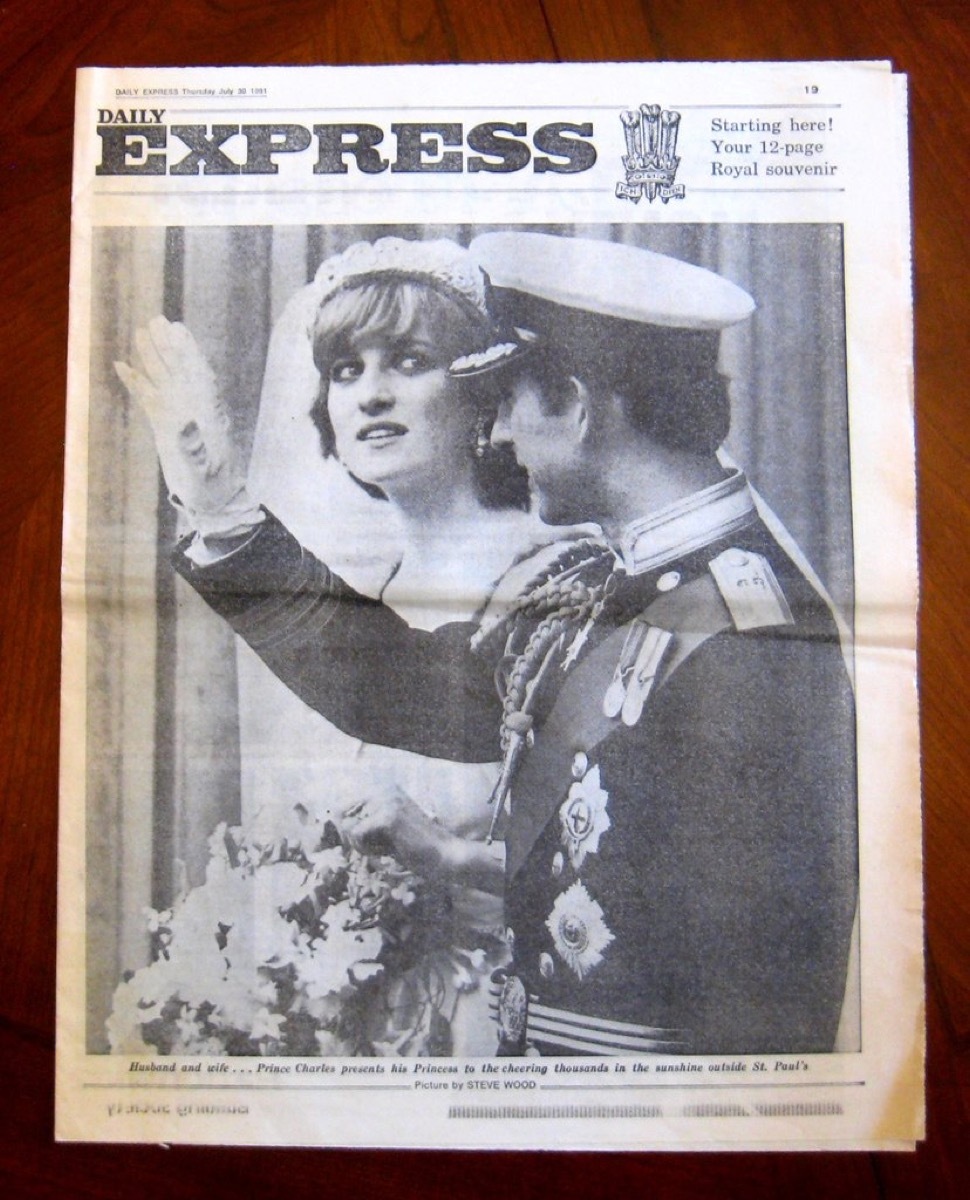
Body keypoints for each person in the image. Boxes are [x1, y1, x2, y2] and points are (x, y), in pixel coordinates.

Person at [136, 231, 857, 1057]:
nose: (500, 435)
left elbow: (759, 1004)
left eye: (510, 399)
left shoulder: (746, 630)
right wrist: (223, 506)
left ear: (579, 405)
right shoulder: (608, 578)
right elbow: (406, 684)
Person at [114, 235, 598, 1056]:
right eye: (347, 369)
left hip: (503, 1013)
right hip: (362, 1009)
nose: (371, 394)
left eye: (409, 361)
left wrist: (225, 509)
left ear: (482, 399)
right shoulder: (373, 580)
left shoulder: (555, 565)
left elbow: (576, 841)